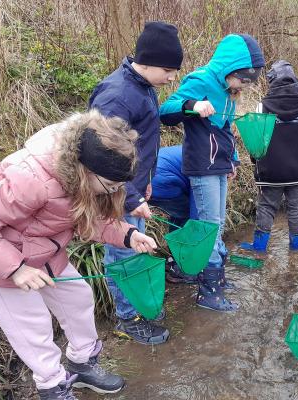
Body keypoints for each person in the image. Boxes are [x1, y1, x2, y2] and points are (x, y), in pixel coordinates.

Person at [0, 111, 159, 399]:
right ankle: (52, 385)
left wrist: (128, 235)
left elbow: (87, 217)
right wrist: (16, 270)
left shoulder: (83, 178)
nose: (114, 192)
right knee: (33, 325)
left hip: (44, 251)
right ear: (86, 171)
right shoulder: (31, 179)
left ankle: (82, 363)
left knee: (78, 298)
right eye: (111, 186)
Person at [89, 21, 183, 344]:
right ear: (150, 61)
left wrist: (145, 184)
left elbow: (141, 145)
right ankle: (126, 319)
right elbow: (101, 158)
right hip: (114, 194)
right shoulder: (117, 95)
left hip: (131, 190)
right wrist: (130, 198)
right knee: (121, 256)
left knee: (135, 248)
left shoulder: (143, 88)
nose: (173, 77)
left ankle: (136, 307)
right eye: (170, 70)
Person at [160, 33, 265, 312]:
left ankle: (215, 280)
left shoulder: (230, 93)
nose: (244, 85)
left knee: (215, 223)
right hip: (201, 165)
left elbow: (226, 130)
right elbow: (166, 111)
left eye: (249, 80)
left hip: (218, 165)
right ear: (229, 68)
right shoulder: (200, 80)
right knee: (209, 225)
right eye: (243, 78)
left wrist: (232, 161)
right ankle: (209, 292)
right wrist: (192, 106)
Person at [239, 60, 298, 252]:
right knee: (297, 208)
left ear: (272, 81)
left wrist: (257, 164)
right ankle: (296, 249)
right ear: (294, 78)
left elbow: (256, 144)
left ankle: (259, 248)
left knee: (266, 207)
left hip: (271, 170)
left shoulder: (262, 106)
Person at [148, 144, 198, 284]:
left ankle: (175, 260)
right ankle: (185, 268)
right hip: (162, 181)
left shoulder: (192, 149)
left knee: (178, 216)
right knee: (188, 216)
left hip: (145, 179)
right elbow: (198, 199)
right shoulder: (208, 162)